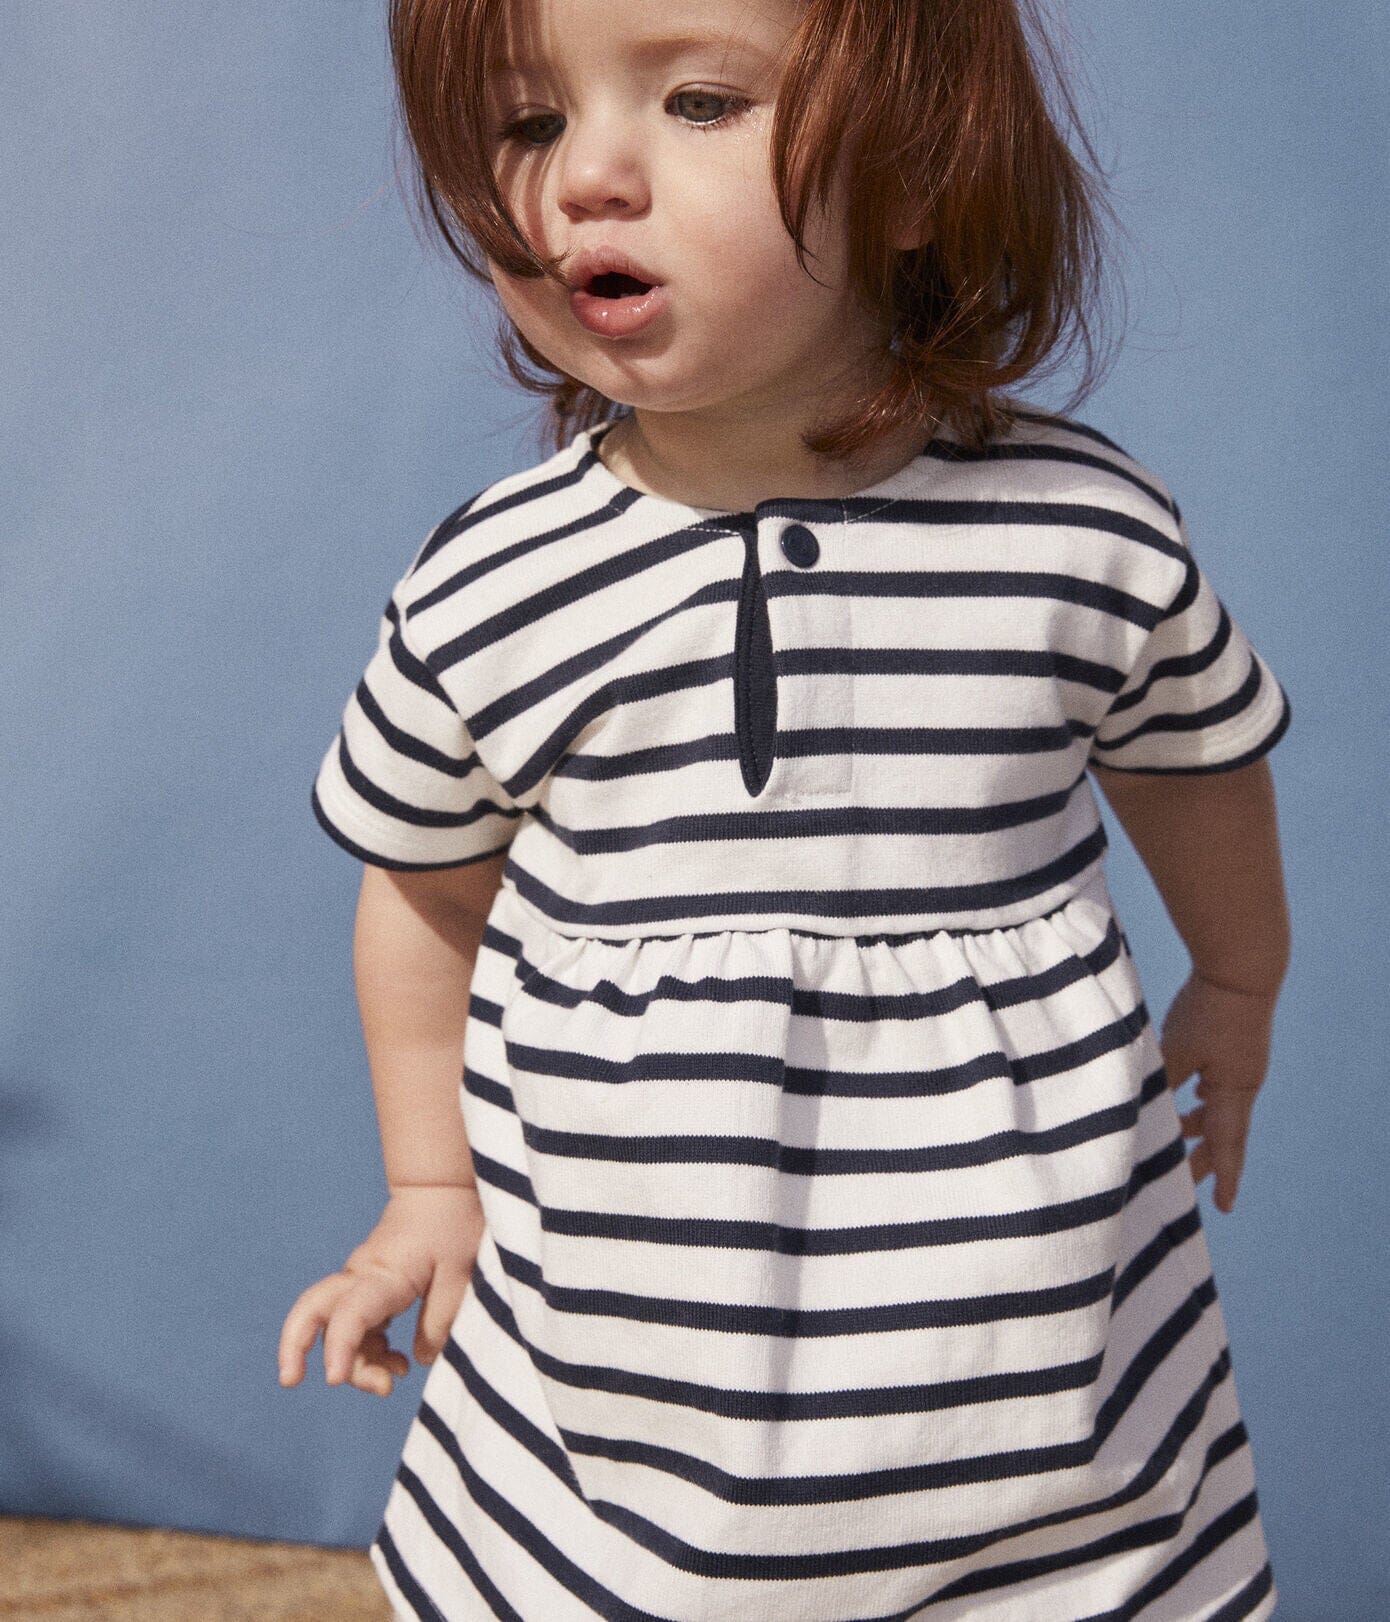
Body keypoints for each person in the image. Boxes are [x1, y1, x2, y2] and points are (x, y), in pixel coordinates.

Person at [278, 0, 1292, 1615]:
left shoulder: (1077, 530)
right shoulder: (490, 583)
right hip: (619, 1356)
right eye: (528, 122)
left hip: (1039, 1361)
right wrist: (431, 1186)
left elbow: (1196, 761)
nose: (583, 178)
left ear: (919, 176)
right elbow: (426, 893)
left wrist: (1235, 981)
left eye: (696, 102)